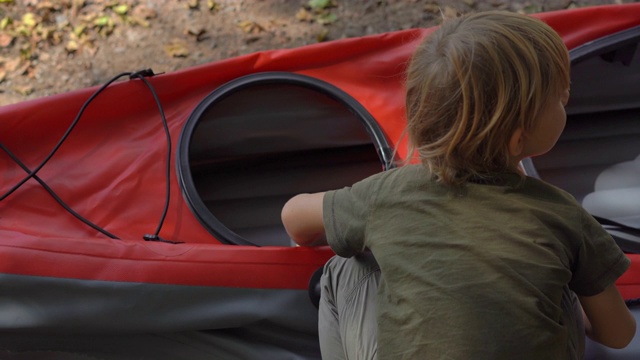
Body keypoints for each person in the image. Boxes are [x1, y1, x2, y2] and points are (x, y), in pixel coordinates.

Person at [281, 10, 636, 360]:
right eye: (561, 96)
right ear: (517, 141)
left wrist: (306, 241)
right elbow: (619, 335)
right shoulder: (562, 214)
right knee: (565, 275)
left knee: (346, 265)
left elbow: (293, 216)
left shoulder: (386, 194)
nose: (566, 99)